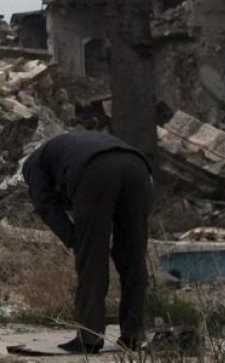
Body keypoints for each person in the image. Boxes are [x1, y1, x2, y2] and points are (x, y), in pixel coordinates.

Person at [23, 130, 153, 353]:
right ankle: (133, 335)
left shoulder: (33, 166)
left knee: (92, 259)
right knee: (133, 258)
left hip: (94, 171)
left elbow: (46, 206)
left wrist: (74, 239)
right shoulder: (68, 148)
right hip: (138, 167)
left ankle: (89, 337)